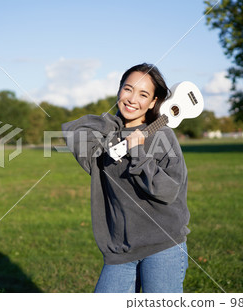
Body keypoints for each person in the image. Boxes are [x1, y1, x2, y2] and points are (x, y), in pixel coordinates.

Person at [61, 63, 190, 293]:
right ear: (119, 90)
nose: (132, 99)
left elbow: (168, 191)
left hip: (163, 245)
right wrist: (116, 124)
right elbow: (73, 130)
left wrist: (138, 152)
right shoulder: (105, 137)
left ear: (153, 102)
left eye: (143, 94)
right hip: (120, 250)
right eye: (128, 89)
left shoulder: (164, 136)